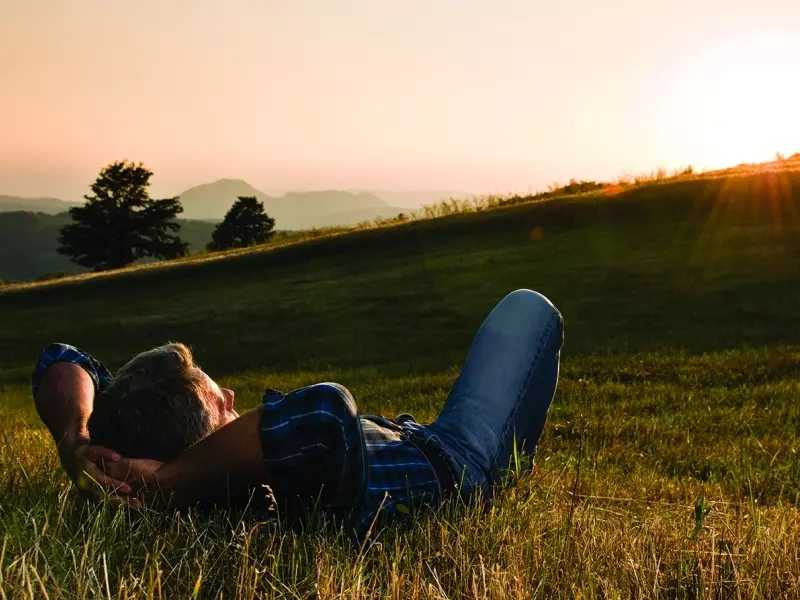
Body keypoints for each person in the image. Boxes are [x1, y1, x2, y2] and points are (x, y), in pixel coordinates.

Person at [33, 289, 564, 541]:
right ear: (202, 449)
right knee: (528, 310)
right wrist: (168, 485)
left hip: (410, 434)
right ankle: (509, 467)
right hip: (459, 460)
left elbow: (62, 358)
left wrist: (75, 442)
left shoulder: (137, 434)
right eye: (222, 405)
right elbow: (325, 411)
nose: (233, 396)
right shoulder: (289, 484)